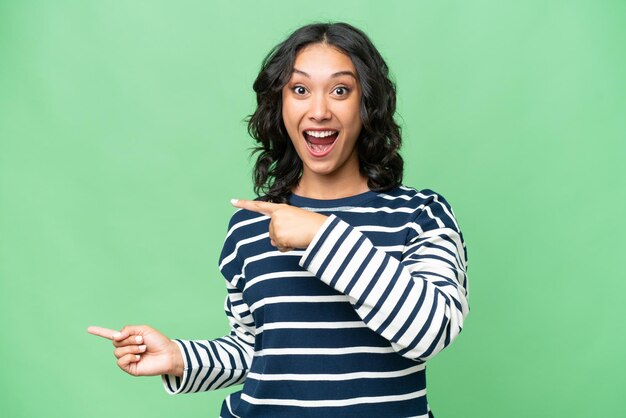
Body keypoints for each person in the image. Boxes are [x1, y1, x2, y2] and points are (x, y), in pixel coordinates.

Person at [88, 22, 469, 418]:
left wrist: (321, 235)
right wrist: (180, 358)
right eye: (300, 90)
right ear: (281, 104)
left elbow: (431, 331)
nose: (319, 111)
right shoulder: (251, 225)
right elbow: (257, 349)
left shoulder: (421, 214)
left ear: (366, 104)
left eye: (341, 90)